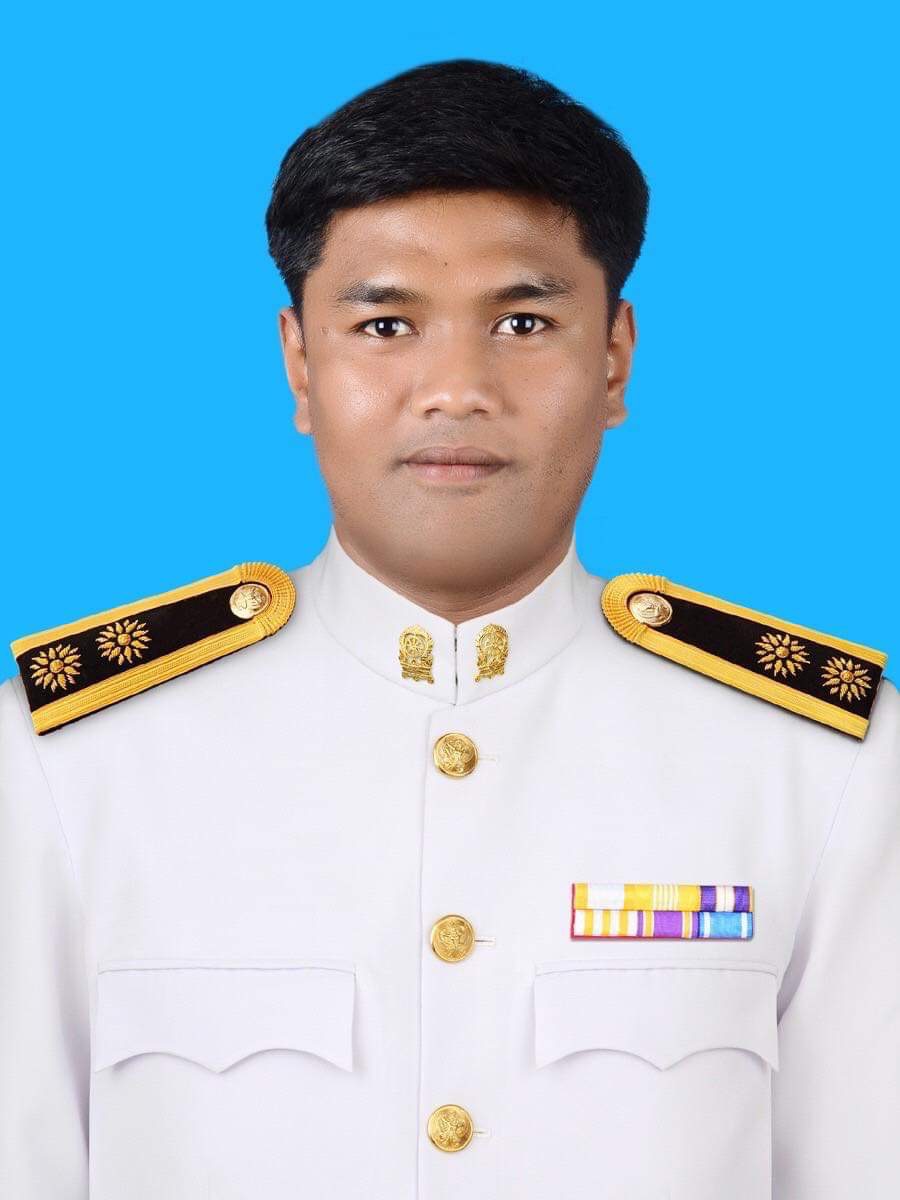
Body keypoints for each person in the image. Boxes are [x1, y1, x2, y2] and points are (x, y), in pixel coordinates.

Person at [1, 57, 897, 1200]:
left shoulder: (820, 764)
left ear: (614, 357)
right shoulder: (68, 759)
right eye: (385, 324)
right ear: (300, 362)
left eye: (523, 321)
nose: (455, 388)